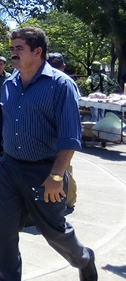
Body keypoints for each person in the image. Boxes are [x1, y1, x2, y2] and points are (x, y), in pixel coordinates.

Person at [0, 27, 97, 281]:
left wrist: (57, 176)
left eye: (19, 47)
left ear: (38, 52)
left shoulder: (61, 85)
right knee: (3, 231)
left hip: (44, 172)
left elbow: (70, 136)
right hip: (9, 168)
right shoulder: (9, 84)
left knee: (53, 231)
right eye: (12, 47)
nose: (13, 52)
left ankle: (84, 259)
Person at [48, 52, 77, 210]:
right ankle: (69, 199)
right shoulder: (67, 83)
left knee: (60, 168)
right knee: (65, 167)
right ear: (63, 67)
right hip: (64, 136)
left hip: (55, 136)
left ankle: (66, 199)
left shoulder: (53, 83)